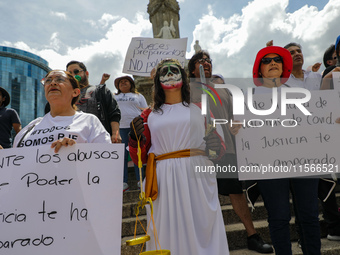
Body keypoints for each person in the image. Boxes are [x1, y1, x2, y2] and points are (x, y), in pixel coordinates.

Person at [128, 59, 229, 255]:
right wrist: (134, 139)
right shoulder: (148, 115)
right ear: (157, 81)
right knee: (168, 230)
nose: (169, 73)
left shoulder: (201, 108)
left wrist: (215, 148)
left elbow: (217, 148)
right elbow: (139, 156)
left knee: (202, 226)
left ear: (183, 77)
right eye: (163, 72)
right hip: (163, 179)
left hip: (197, 175)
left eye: (174, 70)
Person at [188, 50, 273, 254]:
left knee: (235, 191)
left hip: (227, 148)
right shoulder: (184, 89)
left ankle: (252, 235)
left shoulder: (224, 88)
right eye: (201, 61)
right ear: (192, 68)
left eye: (208, 60)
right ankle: (203, 241)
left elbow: (239, 113)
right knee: (201, 195)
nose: (206, 63)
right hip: (197, 151)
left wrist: (238, 123)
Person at [249, 46, 321, 255]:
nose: (273, 63)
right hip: (269, 165)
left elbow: (318, 121)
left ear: (283, 66)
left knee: (309, 214)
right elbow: (243, 130)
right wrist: (236, 127)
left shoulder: (302, 93)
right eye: (267, 60)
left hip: (304, 161)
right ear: (259, 69)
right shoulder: (249, 96)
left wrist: (331, 120)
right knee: (279, 217)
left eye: (277, 59)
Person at [13, 70, 111, 151]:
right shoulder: (29, 128)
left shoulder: (89, 122)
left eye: (60, 79)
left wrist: (75, 150)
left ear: (75, 92)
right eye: (48, 81)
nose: (52, 83)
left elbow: (105, 160)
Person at [66, 61, 121, 143]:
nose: (73, 75)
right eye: (69, 73)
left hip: (99, 139)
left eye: (76, 71)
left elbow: (114, 113)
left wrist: (115, 134)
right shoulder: (65, 95)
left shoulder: (101, 90)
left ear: (86, 73)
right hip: (73, 141)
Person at [114, 75, 148, 192]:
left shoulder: (139, 96)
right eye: (121, 82)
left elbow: (145, 110)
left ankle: (140, 180)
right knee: (122, 155)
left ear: (131, 84)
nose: (123, 83)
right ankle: (123, 182)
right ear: (117, 86)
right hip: (120, 128)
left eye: (126, 81)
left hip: (136, 128)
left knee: (137, 153)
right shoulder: (114, 96)